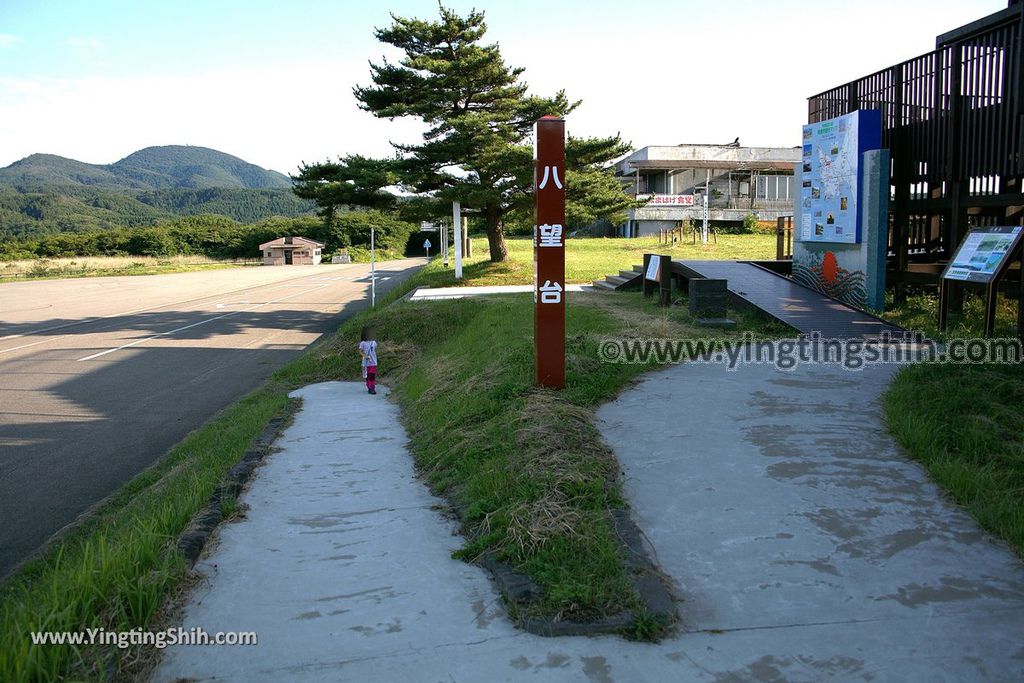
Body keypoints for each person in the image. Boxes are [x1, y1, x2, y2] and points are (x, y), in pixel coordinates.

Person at [358, 327, 378, 395]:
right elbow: (360, 351)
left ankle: (372, 387)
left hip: (373, 362)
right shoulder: (362, 343)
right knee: (367, 375)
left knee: (372, 375)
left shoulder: (373, 342)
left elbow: (375, 349)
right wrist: (365, 356)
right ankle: (369, 386)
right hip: (366, 362)